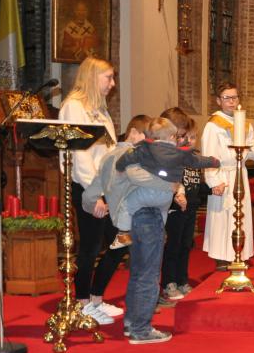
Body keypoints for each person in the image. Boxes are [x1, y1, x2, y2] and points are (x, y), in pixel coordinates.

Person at [58, 57, 122, 323]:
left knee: (121, 240)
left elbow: (109, 150)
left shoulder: (99, 109)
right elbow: (79, 155)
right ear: (92, 77)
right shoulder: (74, 107)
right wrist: (94, 194)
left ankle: (96, 298)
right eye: (108, 77)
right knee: (92, 246)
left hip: (107, 186)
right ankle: (83, 302)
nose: (112, 83)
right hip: (87, 186)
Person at [78, 114, 153, 325]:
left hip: (119, 212)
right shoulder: (120, 155)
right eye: (146, 137)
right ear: (134, 133)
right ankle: (85, 303)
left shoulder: (134, 154)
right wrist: (93, 202)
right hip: (105, 208)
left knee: (118, 249)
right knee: (91, 252)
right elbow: (98, 180)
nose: (149, 142)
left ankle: (96, 298)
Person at [113, 117, 219, 249]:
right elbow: (197, 161)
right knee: (162, 212)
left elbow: (127, 157)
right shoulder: (180, 152)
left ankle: (123, 234)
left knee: (127, 205)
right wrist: (213, 162)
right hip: (167, 195)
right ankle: (161, 233)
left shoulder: (145, 148)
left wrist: (119, 167)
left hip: (147, 192)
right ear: (172, 136)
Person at [202, 82, 254, 269]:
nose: (232, 102)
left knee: (241, 214)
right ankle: (221, 256)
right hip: (223, 175)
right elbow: (208, 155)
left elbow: (248, 152)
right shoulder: (213, 126)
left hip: (240, 173)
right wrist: (213, 181)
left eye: (235, 97)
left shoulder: (245, 124)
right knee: (222, 216)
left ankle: (239, 252)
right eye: (227, 98)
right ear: (219, 101)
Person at [159, 108, 205, 301]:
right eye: (181, 136)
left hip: (189, 206)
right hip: (173, 207)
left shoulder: (185, 154)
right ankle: (169, 282)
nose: (184, 140)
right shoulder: (165, 153)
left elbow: (194, 181)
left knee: (186, 245)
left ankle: (181, 279)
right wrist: (178, 193)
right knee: (173, 246)